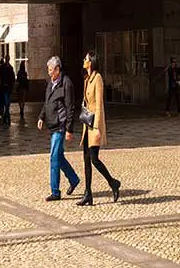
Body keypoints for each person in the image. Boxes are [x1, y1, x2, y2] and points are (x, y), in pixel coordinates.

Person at [78, 51, 120, 206]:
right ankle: (88, 194)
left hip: (94, 124)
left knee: (94, 159)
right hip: (86, 124)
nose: (84, 60)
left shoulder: (98, 78)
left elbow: (99, 105)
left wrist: (97, 128)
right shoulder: (87, 79)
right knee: (86, 160)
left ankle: (113, 182)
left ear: (92, 62)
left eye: (86, 59)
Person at [37, 55, 79, 201]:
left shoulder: (66, 83)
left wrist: (69, 129)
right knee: (59, 157)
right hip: (52, 124)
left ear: (57, 69)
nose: (48, 72)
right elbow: (47, 102)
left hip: (60, 126)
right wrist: (41, 117)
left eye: (50, 70)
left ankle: (55, 191)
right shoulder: (51, 83)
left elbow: (70, 107)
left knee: (54, 158)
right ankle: (74, 179)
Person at [0, 56, 16, 125]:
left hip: (7, 88)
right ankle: (6, 116)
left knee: (7, 103)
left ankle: (6, 116)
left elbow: (12, 78)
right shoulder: (2, 68)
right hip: (3, 88)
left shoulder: (10, 68)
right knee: (5, 103)